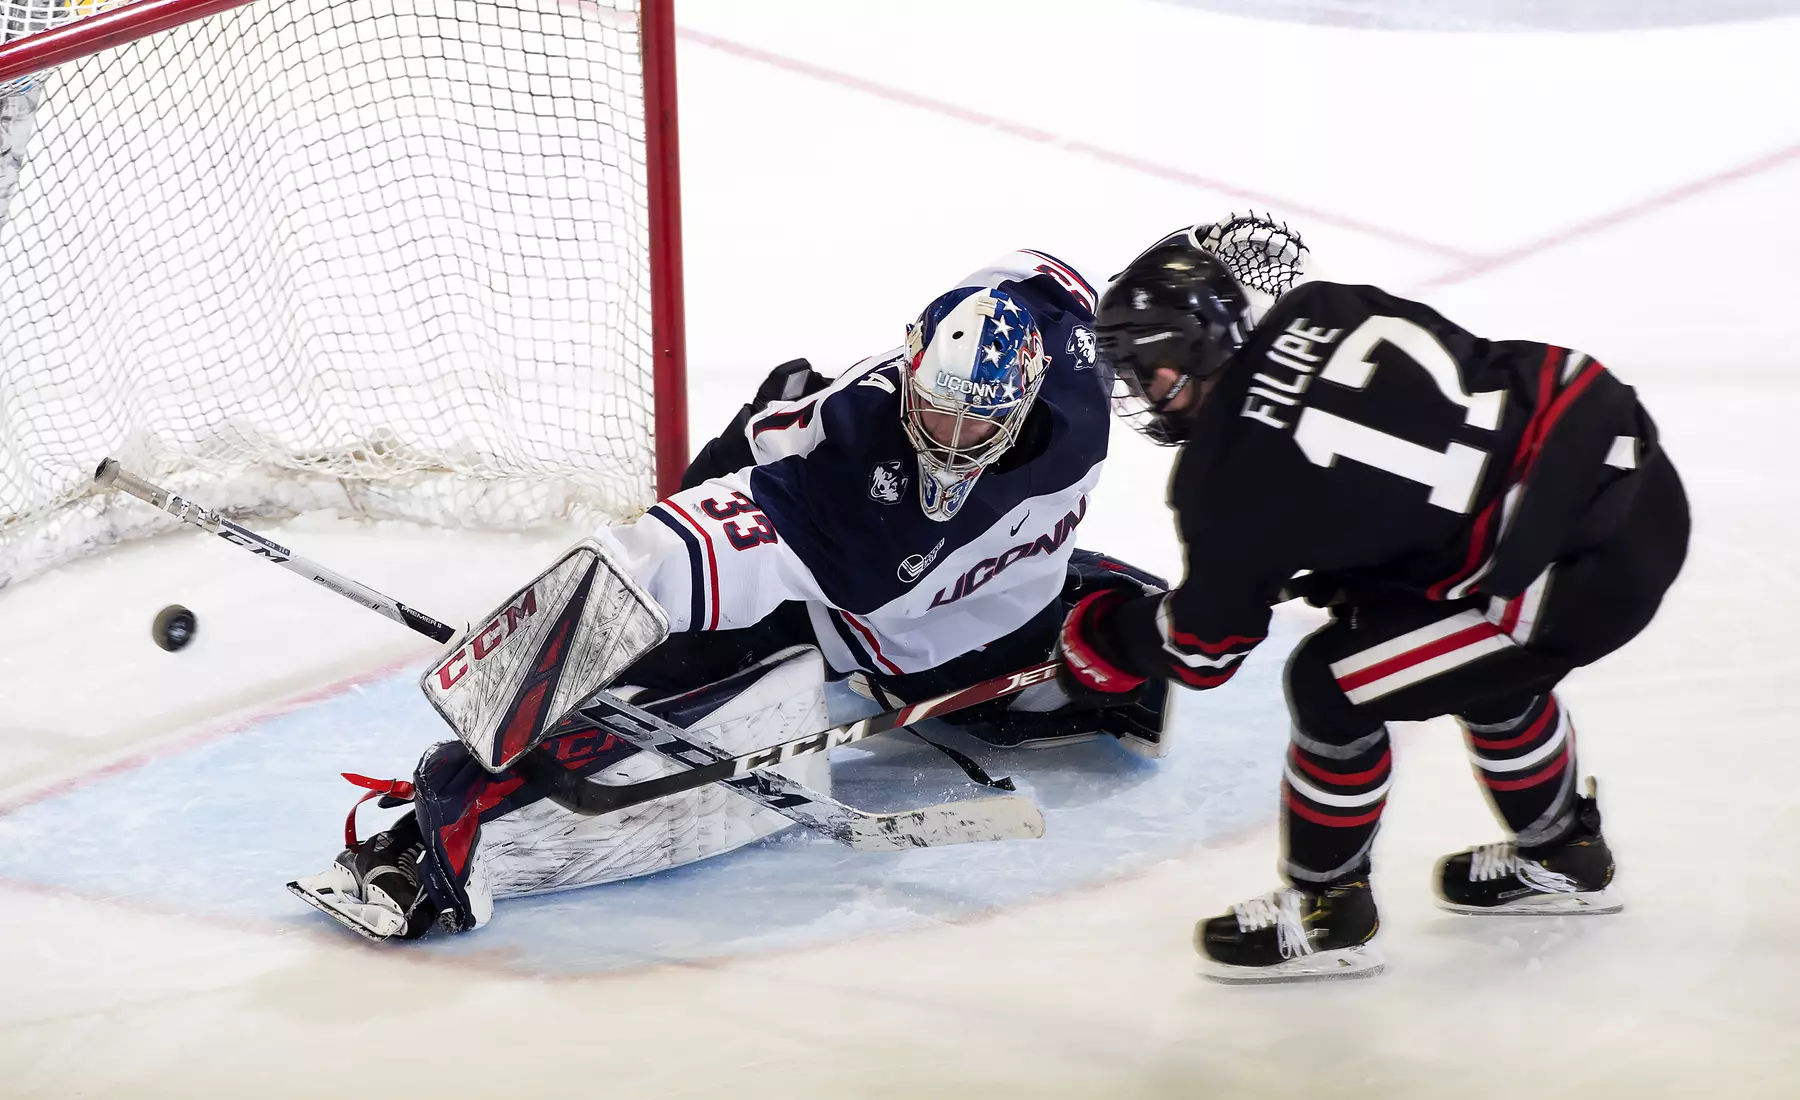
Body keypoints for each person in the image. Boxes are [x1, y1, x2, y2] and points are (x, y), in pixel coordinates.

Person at [292, 249, 1170, 941]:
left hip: (961, 618)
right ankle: (436, 834)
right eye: (934, 409)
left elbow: (1040, 278)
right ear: (911, 365)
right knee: (684, 656)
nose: (950, 436)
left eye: (977, 421)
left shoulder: (1074, 372)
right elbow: (662, 558)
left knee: (1139, 651)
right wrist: (523, 669)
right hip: (820, 581)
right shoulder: (848, 475)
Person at [1055, 224, 1689, 982]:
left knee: (1333, 684)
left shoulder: (1225, 484)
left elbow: (1202, 648)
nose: (1141, 390)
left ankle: (1329, 915)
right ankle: (1564, 853)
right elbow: (1424, 448)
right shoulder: (1326, 308)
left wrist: (1107, 637)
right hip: (1628, 465)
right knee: (1451, 650)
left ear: (1191, 349)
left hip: (1567, 580)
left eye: (1146, 368)